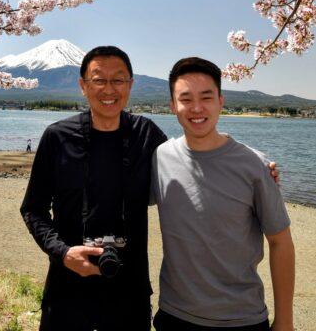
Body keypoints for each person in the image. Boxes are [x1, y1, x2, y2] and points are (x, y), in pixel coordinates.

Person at [21, 46, 281, 331]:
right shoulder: (57, 137)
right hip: (67, 288)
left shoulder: (145, 135)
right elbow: (33, 208)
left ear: (130, 85)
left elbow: (195, 152)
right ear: (83, 86)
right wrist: (62, 252)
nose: (109, 89)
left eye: (118, 80)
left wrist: (256, 165)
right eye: (99, 80)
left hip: (129, 295)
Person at [151, 57, 294, 331]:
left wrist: (285, 321)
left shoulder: (254, 165)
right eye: (185, 99)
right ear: (172, 106)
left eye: (206, 97)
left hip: (242, 319)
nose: (196, 108)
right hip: (174, 315)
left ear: (220, 101)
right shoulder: (161, 157)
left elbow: (281, 242)